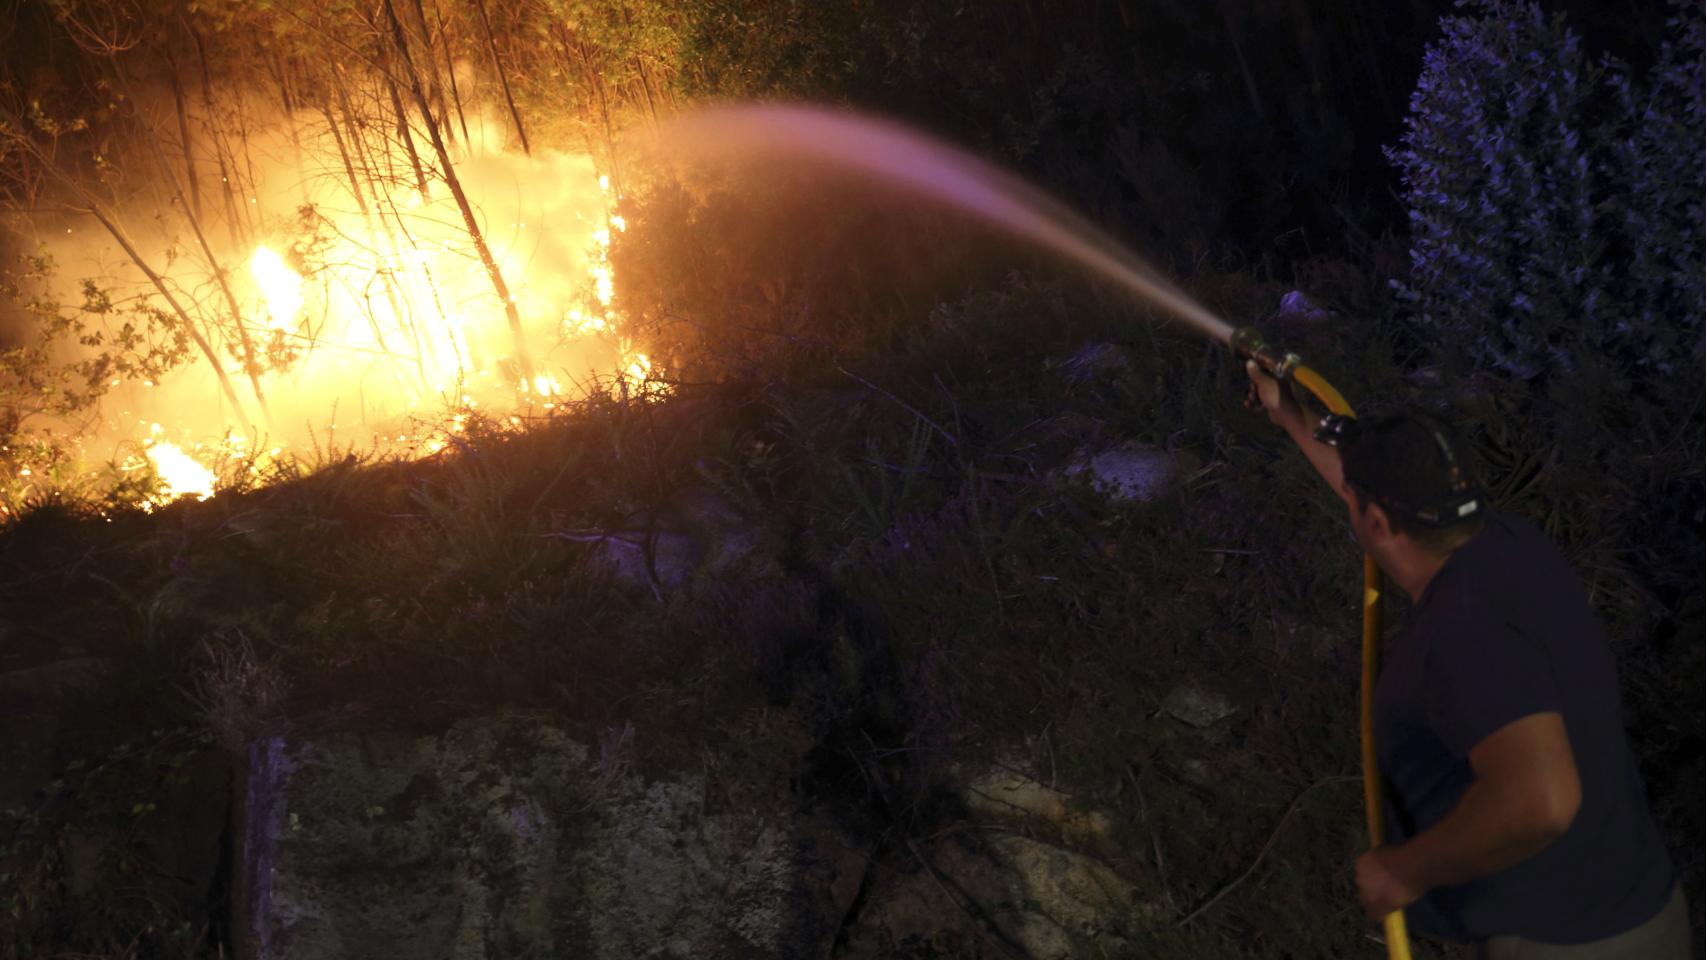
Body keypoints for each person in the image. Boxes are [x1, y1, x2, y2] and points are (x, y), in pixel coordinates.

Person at [1245, 361, 1691, 959]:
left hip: (1564, 944)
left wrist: (1404, 870)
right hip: (1642, 909)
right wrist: (1291, 415)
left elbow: (1542, 801)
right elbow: (1373, 489)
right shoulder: (1509, 545)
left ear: (1377, 521)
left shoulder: (1465, 634)